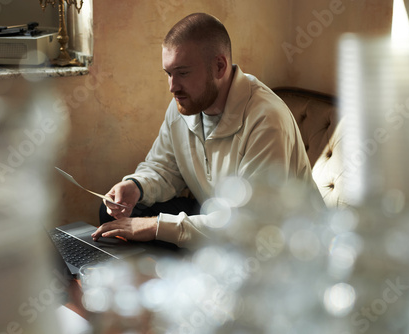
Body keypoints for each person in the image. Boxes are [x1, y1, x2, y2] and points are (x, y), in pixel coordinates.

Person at [92, 12, 319, 249]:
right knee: (113, 214)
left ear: (219, 66)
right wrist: (136, 187)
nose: (172, 87)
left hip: (280, 244)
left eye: (183, 73)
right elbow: (164, 167)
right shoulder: (185, 103)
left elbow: (250, 225)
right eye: (168, 74)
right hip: (219, 216)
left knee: (148, 227)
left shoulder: (267, 119)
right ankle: (153, 278)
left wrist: (156, 227)